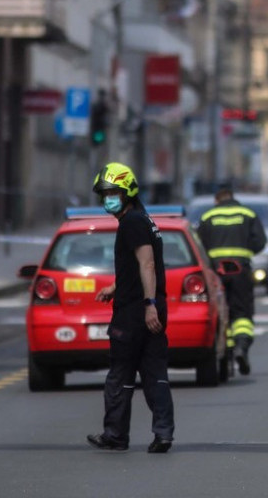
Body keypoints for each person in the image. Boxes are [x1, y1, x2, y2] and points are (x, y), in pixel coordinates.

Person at [87, 162, 174, 453]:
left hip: (135, 313)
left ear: (127, 192)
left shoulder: (132, 223)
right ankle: (163, 434)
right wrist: (116, 286)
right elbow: (139, 266)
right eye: (104, 193)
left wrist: (148, 304)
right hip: (149, 308)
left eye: (112, 192)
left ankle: (115, 435)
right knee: (155, 375)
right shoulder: (143, 219)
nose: (107, 199)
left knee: (120, 377)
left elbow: (147, 263)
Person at [197, 181, 267, 375]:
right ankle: (241, 347)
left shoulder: (208, 216)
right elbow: (260, 242)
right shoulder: (248, 214)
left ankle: (225, 350)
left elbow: (199, 246)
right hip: (240, 271)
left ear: (216, 199)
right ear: (233, 197)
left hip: (216, 274)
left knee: (221, 311)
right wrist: (245, 252)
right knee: (242, 312)